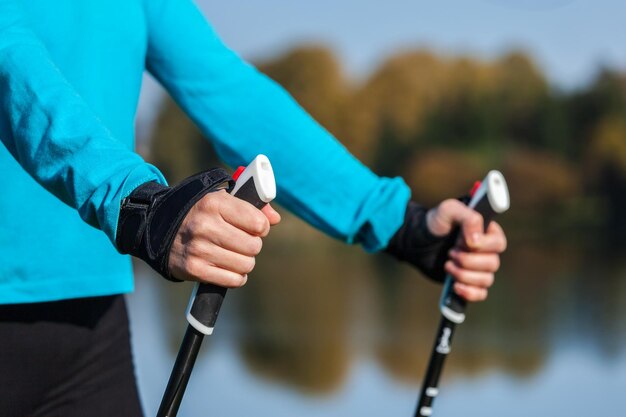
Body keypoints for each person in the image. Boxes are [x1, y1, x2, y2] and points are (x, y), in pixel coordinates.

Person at [0, 0, 507, 416]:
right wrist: (137, 203)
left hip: (90, 333)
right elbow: (10, 61)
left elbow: (229, 92)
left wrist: (398, 222)